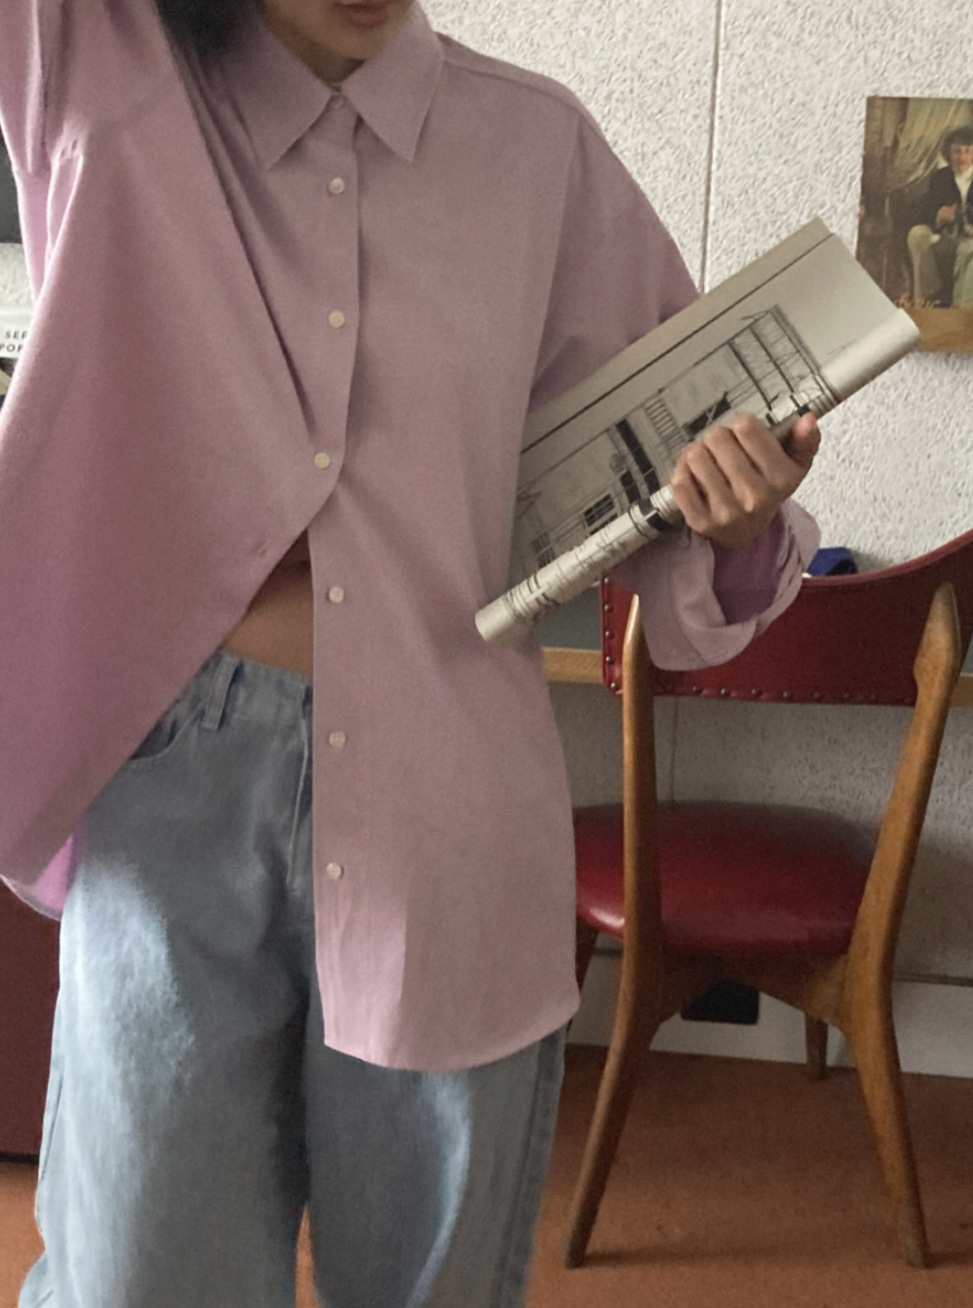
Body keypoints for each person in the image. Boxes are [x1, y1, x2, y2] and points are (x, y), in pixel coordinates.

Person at [0, 2, 820, 1305]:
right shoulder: (95, 66)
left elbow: (659, 472)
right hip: (169, 794)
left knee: (430, 1288)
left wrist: (731, 514)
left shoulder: (537, 149)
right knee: (137, 1280)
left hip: (449, 801)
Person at [906, 123, 973, 306]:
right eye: (957, 151)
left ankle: (961, 307)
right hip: (946, 237)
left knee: (969, 249)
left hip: (970, 240)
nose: (962, 157)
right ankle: (926, 299)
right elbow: (924, 211)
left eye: (967, 151)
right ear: (948, 154)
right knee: (917, 233)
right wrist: (938, 215)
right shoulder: (940, 177)